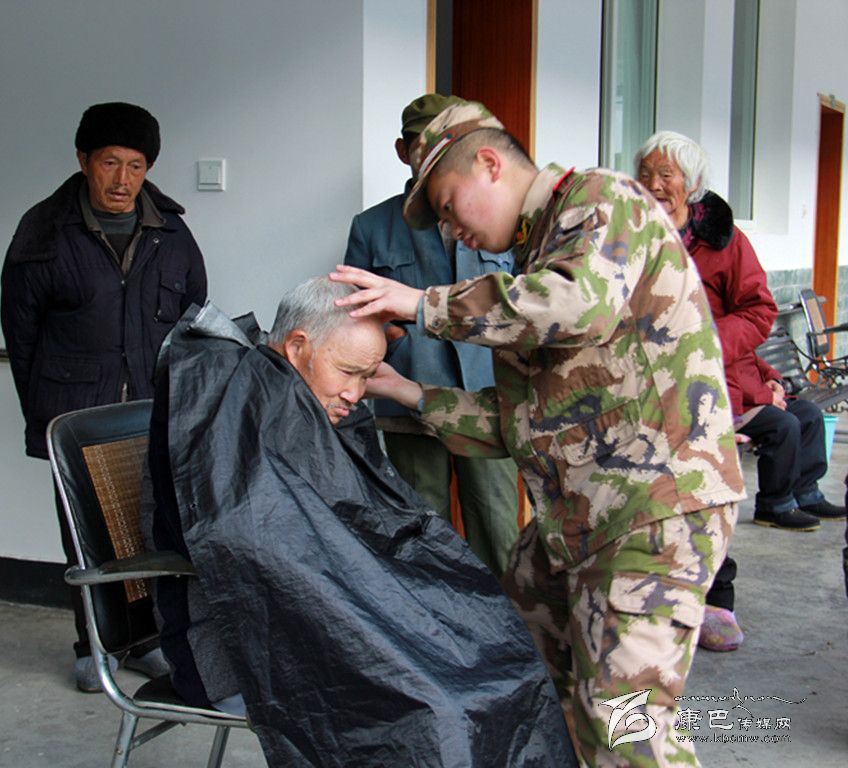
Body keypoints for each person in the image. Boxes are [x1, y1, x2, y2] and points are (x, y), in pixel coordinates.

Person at [332, 101, 745, 767]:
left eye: (448, 206)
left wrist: (422, 304)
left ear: (489, 164)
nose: (453, 232)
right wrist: (404, 390)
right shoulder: (539, 251)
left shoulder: (603, 201)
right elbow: (522, 424)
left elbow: (577, 305)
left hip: (653, 510)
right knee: (524, 671)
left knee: (626, 724)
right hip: (578, 516)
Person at [146, 278, 577, 767]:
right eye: (349, 372)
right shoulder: (234, 403)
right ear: (297, 346)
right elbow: (254, 544)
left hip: (314, 619)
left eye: (367, 376)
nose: (357, 394)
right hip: (238, 645)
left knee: (505, 665)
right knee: (441, 709)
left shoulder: (291, 398)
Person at [0, 101, 206, 691]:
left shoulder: (171, 230)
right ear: (83, 161)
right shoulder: (43, 231)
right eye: (110, 163)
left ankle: (147, 640)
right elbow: (21, 334)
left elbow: (193, 318)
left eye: (135, 166)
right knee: (87, 534)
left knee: (152, 528)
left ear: (148, 169)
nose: (122, 179)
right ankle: (93, 646)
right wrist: (45, 417)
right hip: (79, 413)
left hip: (150, 408)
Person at [344, 93, 519, 578]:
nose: (433, 153)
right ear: (403, 151)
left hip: (488, 397)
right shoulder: (372, 225)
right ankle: (436, 620)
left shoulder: (499, 218)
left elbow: (528, 301)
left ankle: (505, 620)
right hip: (409, 399)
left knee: (499, 529)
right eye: (422, 144)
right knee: (422, 531)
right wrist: (394, 339)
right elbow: (355, 313)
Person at [636, 130, 844, 533]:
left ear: (692, 184)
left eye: (666, 174)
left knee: (806, 414)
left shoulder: (724, 242)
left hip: (721, 370)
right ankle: (776, 503)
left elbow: (759, 309)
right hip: (666, 383)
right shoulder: (630, 238)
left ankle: (803, 493)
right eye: (645, 174)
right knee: (781, 423)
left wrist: (706, 341)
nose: (653, 184)